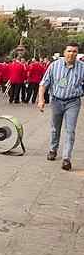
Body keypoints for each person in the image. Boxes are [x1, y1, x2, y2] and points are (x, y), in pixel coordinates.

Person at [38, 43, 84, 171]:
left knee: (70, 130)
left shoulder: (82, 67)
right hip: (56, 101)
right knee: (54, 128)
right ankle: (53, 149)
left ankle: (66, 158)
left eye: (75, 51)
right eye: (69, 51)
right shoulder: (54, 66)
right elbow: (43, 83)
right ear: (64, 52)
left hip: (73, 102)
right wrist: (41, 99)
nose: (72, 54)